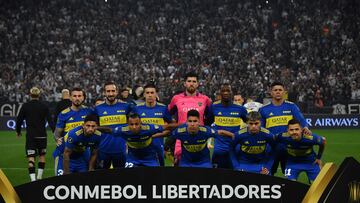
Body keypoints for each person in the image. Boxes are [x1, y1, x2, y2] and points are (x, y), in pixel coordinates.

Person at [259, 81, 311, 175]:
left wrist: (306, 128)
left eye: (280, 90)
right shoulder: (263, 109)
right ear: (271, 92)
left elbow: (301, 120)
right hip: (271, 148)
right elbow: (261, 129)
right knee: (267, 175)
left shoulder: (291, 106)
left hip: (289, 148)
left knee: (289, 176)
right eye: (275, 90)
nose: (278, 92)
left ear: (284, 92)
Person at [158, 110, 233, 168]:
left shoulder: (206, 131)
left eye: (195, 121)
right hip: (186, 163)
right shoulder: (180, 131)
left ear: (199, 122)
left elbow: (221, 132)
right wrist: (165, 148)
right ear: (186, 122)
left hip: (204, 162)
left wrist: (234, 136)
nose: (192, 124)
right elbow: (168, 135)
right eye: (190, 121)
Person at [168, 72, 212, 165]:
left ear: (197, 83)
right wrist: (175, 125)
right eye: (189, 81)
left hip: (200, 138)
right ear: (185, 83)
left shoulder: (205, 99)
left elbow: (210, 117)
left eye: (194, 81)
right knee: (180, 166)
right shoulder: (176, 98)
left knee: (201, 165)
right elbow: (168, 114)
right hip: (182, 138)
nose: (191, 83)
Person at [15, 87, 55, 181]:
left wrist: (18, 131)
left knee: (31, 158)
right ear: (39, 95)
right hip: (42, 135)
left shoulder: (25, 106)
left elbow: (19, 120)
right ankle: (39, 177)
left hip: (31, 136)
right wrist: (54, 131)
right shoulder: (44, 106)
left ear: (30, 94)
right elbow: (50, 121)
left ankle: (33, 180)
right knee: (42, 156)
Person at [133, 83, 176, 166]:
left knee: (158, 174)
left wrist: (160, 134)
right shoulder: (137, 108)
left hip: (157, 147)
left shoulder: (163, 108)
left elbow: (170, 127)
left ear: (156, 94)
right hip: (141, 147)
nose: (150, 95)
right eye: (147, 93)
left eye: (152, 93)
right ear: (144, 94)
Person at [53, 87, 93, 176]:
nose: (77, 98)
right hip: (65, 155)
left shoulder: (89, 112)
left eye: (79, 96)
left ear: (83, 98)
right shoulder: (64, 114)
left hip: (83, 155)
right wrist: (57, 139)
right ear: (70, 97)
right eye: (74, 96)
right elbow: (57, 133)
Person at [208, 84, 247, 169]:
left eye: (228, 91)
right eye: (223, 91)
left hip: (234, 148)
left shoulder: (240, 108)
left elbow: (249, 123)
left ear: (232, 93)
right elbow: (207, 124)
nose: (225, 93)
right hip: (219, 149)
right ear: (220, 93)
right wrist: (214, 133)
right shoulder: (214, 107)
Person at [94, 82, 132, 169]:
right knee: (103, 178)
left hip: (121, 150)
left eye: (113, 91)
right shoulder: (98, 108)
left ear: (117, 92)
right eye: (108, 91)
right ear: (104, 92)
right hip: (103, 150)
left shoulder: (126, 106)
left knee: (121, 177)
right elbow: (94, 127)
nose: (111, 94)